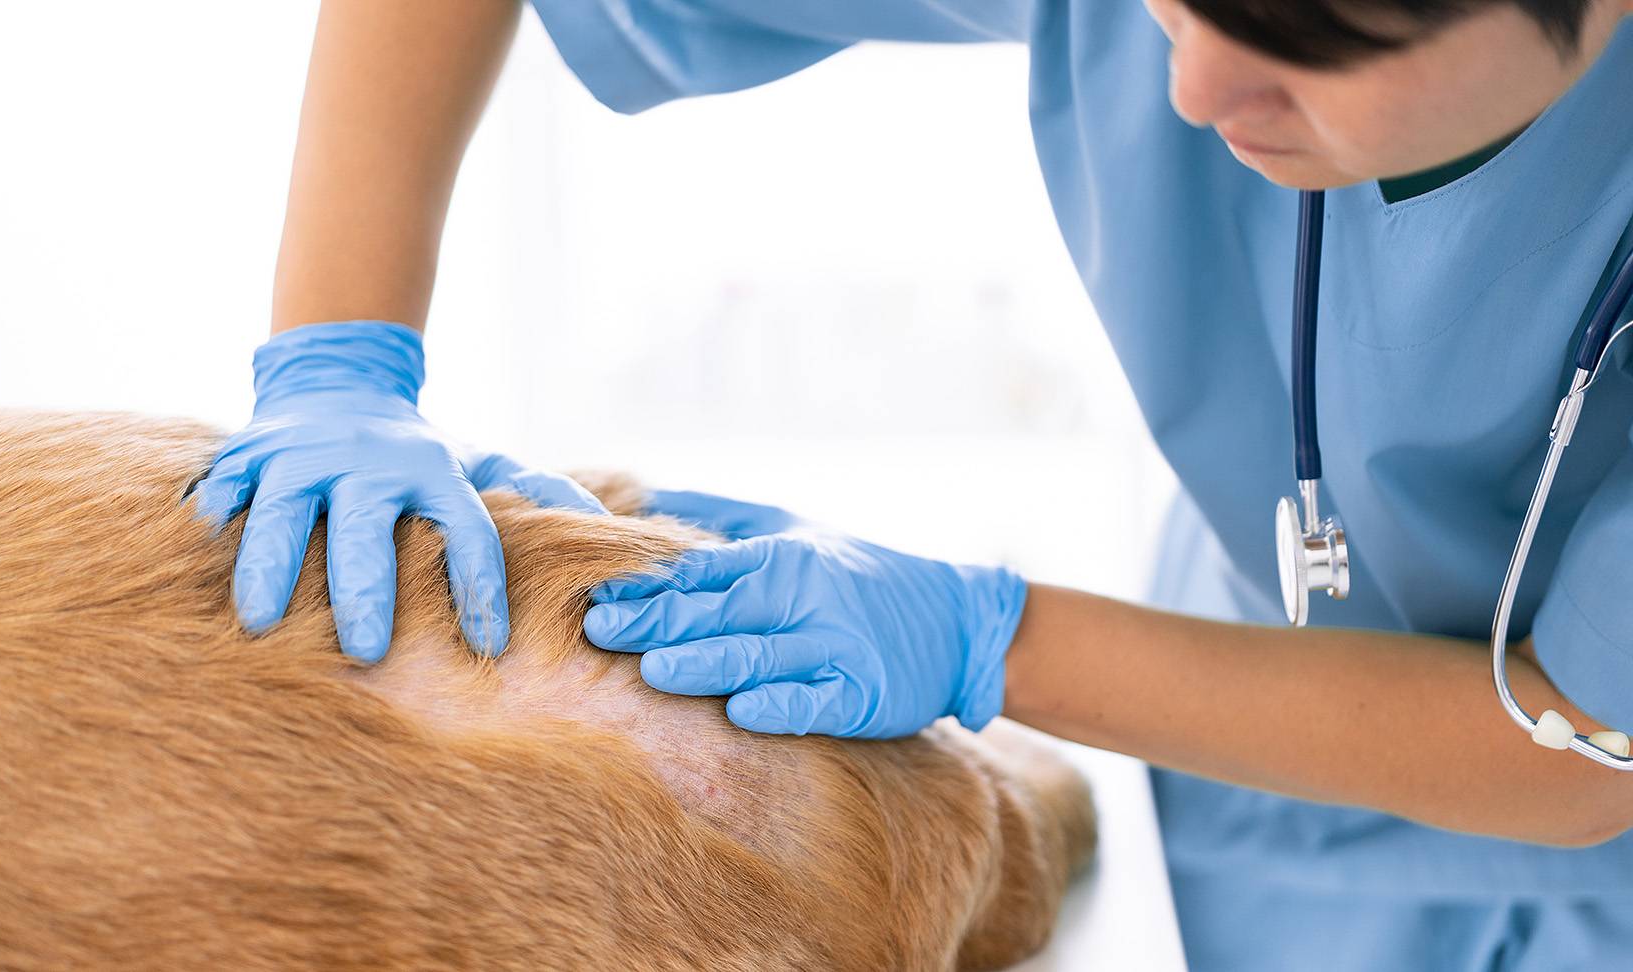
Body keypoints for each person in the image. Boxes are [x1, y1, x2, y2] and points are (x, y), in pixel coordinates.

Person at [187, 1, 1633, 967]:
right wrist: (338, 348)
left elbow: (1574, 748)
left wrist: (990, 638)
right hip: (1260, 735)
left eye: (1316, 35)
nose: (1190, 88)